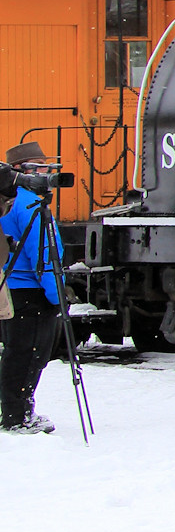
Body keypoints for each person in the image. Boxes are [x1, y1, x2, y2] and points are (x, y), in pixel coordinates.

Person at [2, 141, 66, 435]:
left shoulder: (13, 202)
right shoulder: (28, 204)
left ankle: (14, 411)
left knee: (17, 352)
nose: (45, 172)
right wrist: (57, 296)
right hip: (30, 292)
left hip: (14, 290)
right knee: (28, 354)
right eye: (38, 167)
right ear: (21, 171)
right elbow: (44, 255)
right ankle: (18, 416)